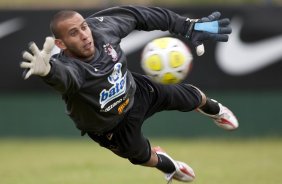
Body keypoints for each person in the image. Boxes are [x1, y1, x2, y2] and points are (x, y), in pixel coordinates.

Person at [20, 5, 238, 183]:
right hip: (109, 126)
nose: (84, 35)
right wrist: (49, 72)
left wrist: (187, 26)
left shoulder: (101, 30)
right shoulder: (69, 67)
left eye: (83, 27)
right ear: (60, 43)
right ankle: (169, 166)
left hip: (135, 91)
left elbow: (139, 15)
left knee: (190, 97)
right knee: (142, 156)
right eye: (73, 33)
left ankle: (213, 109)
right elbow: (64, 78)